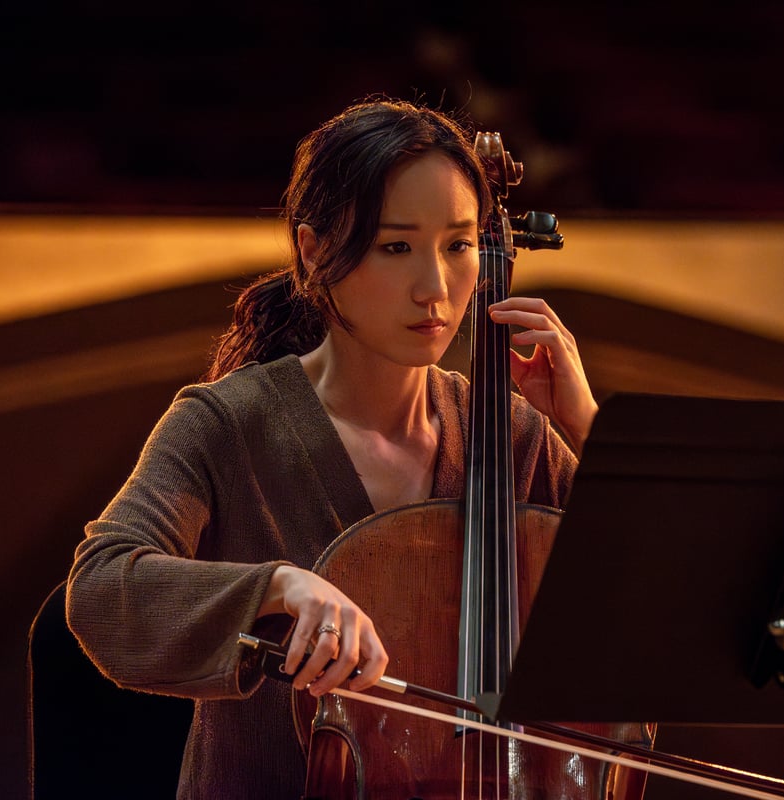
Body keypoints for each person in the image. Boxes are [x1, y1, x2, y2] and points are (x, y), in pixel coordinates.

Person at [65, 96, 598, 799]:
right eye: (395, 246)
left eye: (460, 245)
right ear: (315, 252)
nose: (435, 288)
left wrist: (589, 429)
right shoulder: (226, 424)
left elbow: (661, 605)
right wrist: (278, 587)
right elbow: (100, 590)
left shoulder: (516, 437)